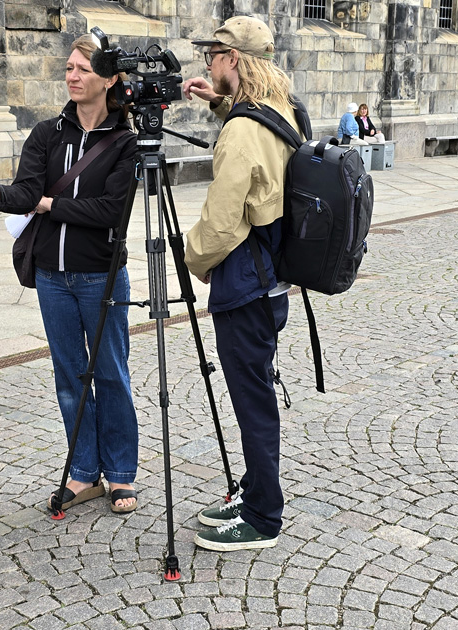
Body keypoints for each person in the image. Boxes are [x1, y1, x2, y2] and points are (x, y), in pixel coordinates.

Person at [0, 35, 141, 514]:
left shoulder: (125, 142)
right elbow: (25, 190)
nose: (73, 76)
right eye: (68, 68)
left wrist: (47, 204)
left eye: (83, 68)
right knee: (69, 376)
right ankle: (84, 473)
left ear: (109, 78)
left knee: (111, 373)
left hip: (100, 275)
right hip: (51, 276)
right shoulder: (47, 133)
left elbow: (110, 211)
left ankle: (121, 474)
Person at [181, 15, 311, 552]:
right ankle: (256, 489)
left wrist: (192, 257)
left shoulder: (242, 129)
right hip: (273, 279)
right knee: (257, 392)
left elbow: (222, 218)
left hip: (244, 284)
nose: (207, 61)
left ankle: (262, 515)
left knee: (252, 401)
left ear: (232, 59)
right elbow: (256, 144)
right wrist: (219, 101)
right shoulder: (284, 110)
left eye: (213, 54)